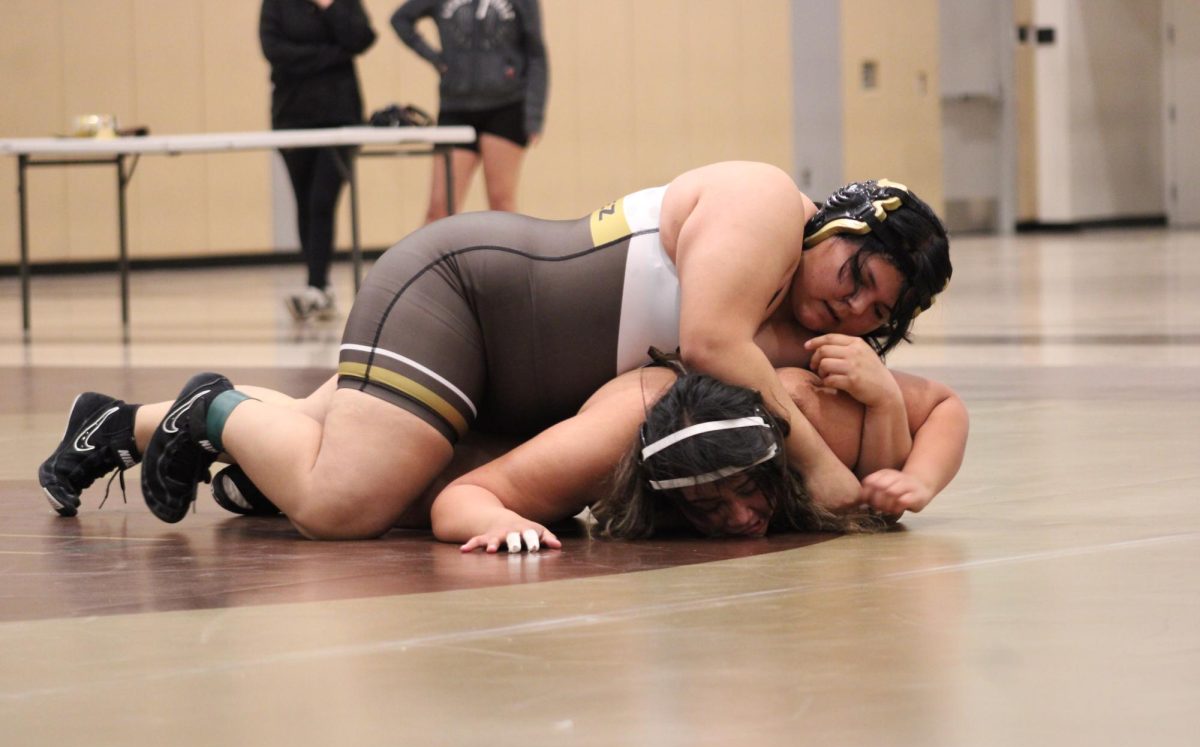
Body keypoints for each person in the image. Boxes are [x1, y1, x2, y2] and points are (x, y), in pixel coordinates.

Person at [38, 162, 951, 540]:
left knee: (354, 453)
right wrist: (824, 467)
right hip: (467, 300)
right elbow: (711, 342)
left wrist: (877, 406)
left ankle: (119, 423)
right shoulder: (766, 206)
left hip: (512, 372)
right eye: (858, 267)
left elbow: (923, 413)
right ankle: (213, 411)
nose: (852, 302)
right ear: (839, 219)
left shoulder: (811, 327)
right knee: (347, 501)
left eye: (878, 307)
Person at [431, 343, 968, 553]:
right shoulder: (608, 447)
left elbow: (944, 406)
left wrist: (919, 476)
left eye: (747, 490)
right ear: (662, 497)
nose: (739, 517)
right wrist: (498, 520)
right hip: (501, 382)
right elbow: (463, 494)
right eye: (707, 505)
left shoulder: (809, 411)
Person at [260, 0, 377, 321]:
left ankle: (315, 287)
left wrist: (329, 7)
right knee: (303, 202)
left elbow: (362, 38)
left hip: (341, 116)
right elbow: (275, 52)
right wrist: (334, 55)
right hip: (292, 116)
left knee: (321, 201)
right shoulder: (276, 5)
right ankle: (320, 285)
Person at [390, 0, 548, 222]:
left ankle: (506, 257)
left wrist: (534, 115)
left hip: (506, 106)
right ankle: (431, 257)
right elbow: (401, 19)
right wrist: (435, 58)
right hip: (456, 107)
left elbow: (536, 54)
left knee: (501, 203)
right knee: (439, 208)